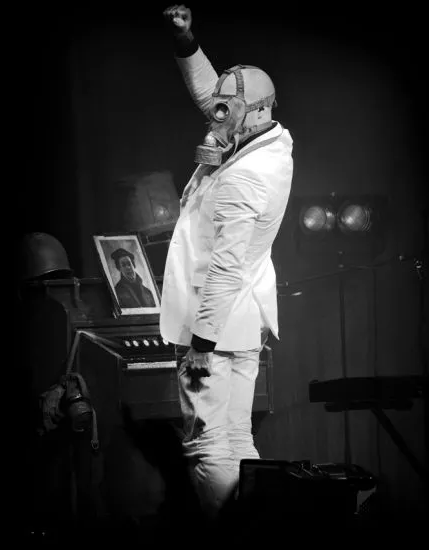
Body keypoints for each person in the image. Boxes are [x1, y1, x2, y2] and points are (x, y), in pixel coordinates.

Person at [159, 4, 294, 518]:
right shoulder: (268, 139)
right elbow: (214, 96)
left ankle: (228, 535)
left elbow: (225, 267)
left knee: (207, 444)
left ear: (255, 111)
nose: (215, 118)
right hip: (243, 323)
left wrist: (201, 344)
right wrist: (186, 42)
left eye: (225, 112)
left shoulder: (245, 177)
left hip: (214, 329)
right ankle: (254, 527)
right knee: (237, 437)